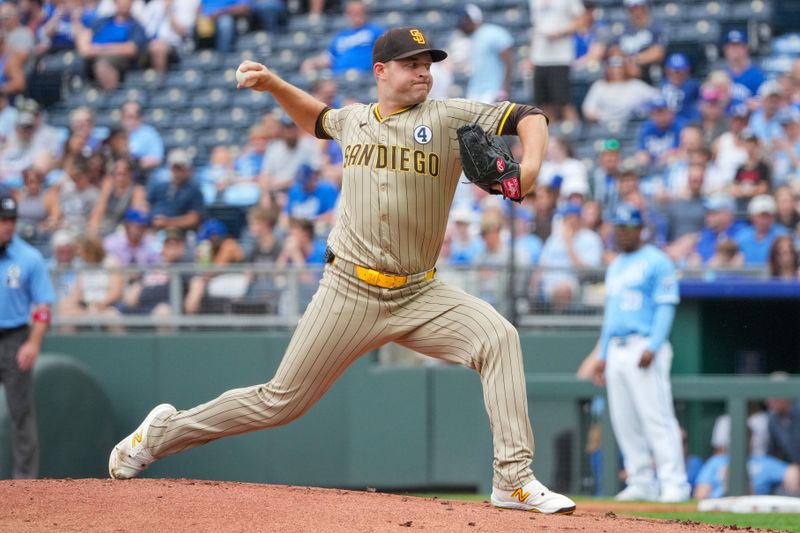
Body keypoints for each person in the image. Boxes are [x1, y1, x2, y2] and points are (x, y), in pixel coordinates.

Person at [108, 25, 577, 516]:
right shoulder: (355, 120)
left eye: (428, 64)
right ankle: (162, 433)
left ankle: (513, 480)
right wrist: (274, 85)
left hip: (420, 293)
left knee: (498, 338)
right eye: (411, 63)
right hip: (348, 290)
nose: (423, 72)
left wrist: (529, 169)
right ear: (381, 71)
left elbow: (530, 116)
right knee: (280, 402)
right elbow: (320, 120)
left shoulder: (448, 116)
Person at [592, 203, 690, 503]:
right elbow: (611, 315)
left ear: (640, 229)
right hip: (618, 348)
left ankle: (675, 482)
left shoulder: (657, 261)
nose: (623, 233)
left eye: (628, 227)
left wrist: (654, 344)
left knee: (657, 417)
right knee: (624, 419)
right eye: (619, 228)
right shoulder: (616, 265)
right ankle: (641, 480)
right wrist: (603, 352)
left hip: (643, 344)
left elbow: (666, 305)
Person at [0, 195, 56, 479]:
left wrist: (33, 343)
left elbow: (44, 307)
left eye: (10, 220)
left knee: (21, 412)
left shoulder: (28, 257)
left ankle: (25, 484)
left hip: (14, 338)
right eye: (2, 220)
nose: (7, 226)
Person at [299, 1, 383, 76]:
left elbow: (385, 52)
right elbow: (329, 58)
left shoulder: (375, 31)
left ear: (365, 13)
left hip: (364, 76)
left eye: (360, 12)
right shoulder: (341, 36)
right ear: (347, 15)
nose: (357, 15)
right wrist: (312, 62)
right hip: (337, 77)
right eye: (353, 12)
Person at [456, 4, 513, 104]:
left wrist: (504, 89)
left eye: (465, 21)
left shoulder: (494, 33)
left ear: (474, 19)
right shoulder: (470, 38)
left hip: (493, 90)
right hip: (474, 91)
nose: (462, 25)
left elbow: (508, 62)